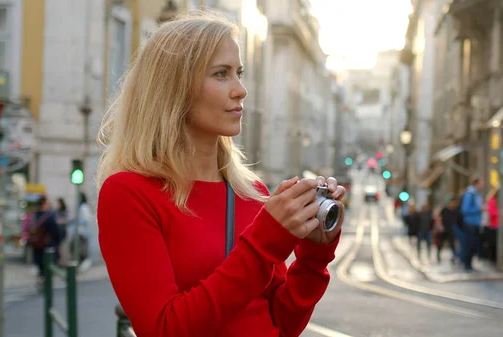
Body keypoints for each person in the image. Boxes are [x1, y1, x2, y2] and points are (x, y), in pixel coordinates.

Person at [95, 11, 346, 337]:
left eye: (238, 73)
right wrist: (265, 241)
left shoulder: (251, 191)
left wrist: (314, 255)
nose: (241, 89)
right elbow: (163, 329)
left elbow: (281, 325)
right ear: (174, 88)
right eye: (221, 74)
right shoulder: (129, 192)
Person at [460, 178, 485, 271]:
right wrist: (479, 209)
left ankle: (469, 264)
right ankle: (466, 264)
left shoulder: (477, 194)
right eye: (481, 184)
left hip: (475, 223)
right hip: (470, 223)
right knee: (469, 244)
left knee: (474, 244)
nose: (483, 186)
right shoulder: (470, 194)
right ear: (476, 184)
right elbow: (465, 210)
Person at [437, 198, 460, 263]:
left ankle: (453, 256)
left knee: (452, 244)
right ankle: (438, 254)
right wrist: (440, 226)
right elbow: (439, 217)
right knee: (441, 242)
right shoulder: (445, 210)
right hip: (444, 229)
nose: (452, 204)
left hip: (451, 230)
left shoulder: (455, 211)